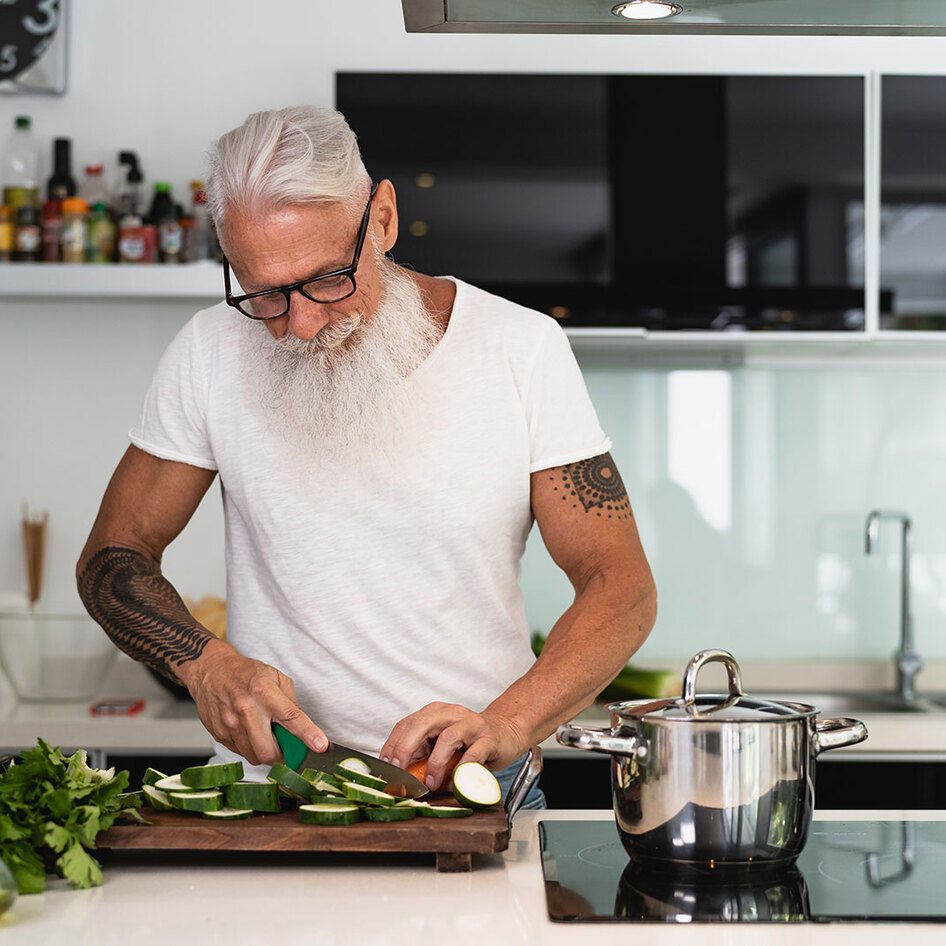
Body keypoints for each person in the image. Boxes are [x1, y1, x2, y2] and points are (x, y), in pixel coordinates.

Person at [76, 105, 657, 803]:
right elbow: (114, 555)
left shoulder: (520, 348)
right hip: (280, 794)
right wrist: (204, 665)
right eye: (263, 293)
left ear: (382, 219)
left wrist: (509, 722)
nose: (300, 323)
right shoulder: (208, 352)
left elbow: (620, 586)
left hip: (478, 788)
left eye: (327, 278)